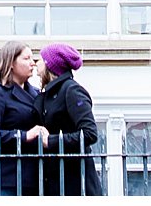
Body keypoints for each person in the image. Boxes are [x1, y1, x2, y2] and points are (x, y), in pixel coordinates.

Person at [0, 41, 47, 196]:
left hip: (32, 180)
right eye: (26, 58)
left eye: (33, 58)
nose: (33, 63)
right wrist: (24, 136)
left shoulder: (36, 94)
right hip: (3, 180)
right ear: (11, 63)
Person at [36, 43, 104, 195]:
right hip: (57, 181)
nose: (36, 63)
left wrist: (51, 141)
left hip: (75, 183)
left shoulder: (71, 90)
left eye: (41, 59)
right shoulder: (49, 93)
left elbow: (89, 133)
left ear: (50, 65)